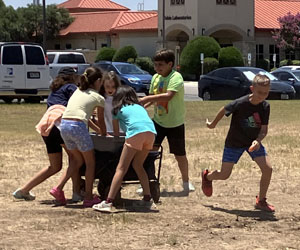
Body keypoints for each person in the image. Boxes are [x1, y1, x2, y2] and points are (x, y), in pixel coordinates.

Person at [202, 74, 275, 212]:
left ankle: (261, 200)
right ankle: (207, 176)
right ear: (252, 89)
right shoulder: (241, 103)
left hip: (252, 143)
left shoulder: (265, 106)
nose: (262, 96)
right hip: (234, 142)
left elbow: (264, 130)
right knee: (224, 175)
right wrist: (212, 124)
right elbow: (224, 109)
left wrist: (258, 141)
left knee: (268, 168)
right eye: (259, 92)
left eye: (266, 93)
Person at [12, 67, 82, 201]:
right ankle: (73, 192)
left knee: (54, 166)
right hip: (59, 125)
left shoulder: (54, 91)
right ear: (71, 77)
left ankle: (24, 190)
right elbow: (77, 103)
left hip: (46, 127)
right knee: (75, 159)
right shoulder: (70, 87)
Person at [93, 85, 157, 212]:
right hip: (151, 133)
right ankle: (147, 199)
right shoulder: (140, 107)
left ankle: (108, 201)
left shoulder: (117, 110)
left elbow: (116, 134)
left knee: (121, 168)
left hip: (135, 133)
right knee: (138, 165)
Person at [139, 49, 195, 194]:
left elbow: (169, 96)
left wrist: (146, 99)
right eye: (155, 65)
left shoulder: (176, 77)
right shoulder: (155, 78)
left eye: (160, 65)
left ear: (170, 64)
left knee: (180, 155)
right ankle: (147, 182)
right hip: (157, 122)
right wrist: (142, 107)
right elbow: (152, 96)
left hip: (175, 123)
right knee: (150, 152)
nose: (157, 68)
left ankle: (186, 182)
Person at [50, 66, 107, 207]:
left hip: (64, 126)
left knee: (76, 160)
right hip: (78, 127)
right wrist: (104, 133)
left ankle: (58, 188)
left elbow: (81, 116)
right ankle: (88, 196)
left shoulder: (77, 92)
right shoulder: (98, 97)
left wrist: (98, 130)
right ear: (99, 81)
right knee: (90, 163)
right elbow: (100, 120)